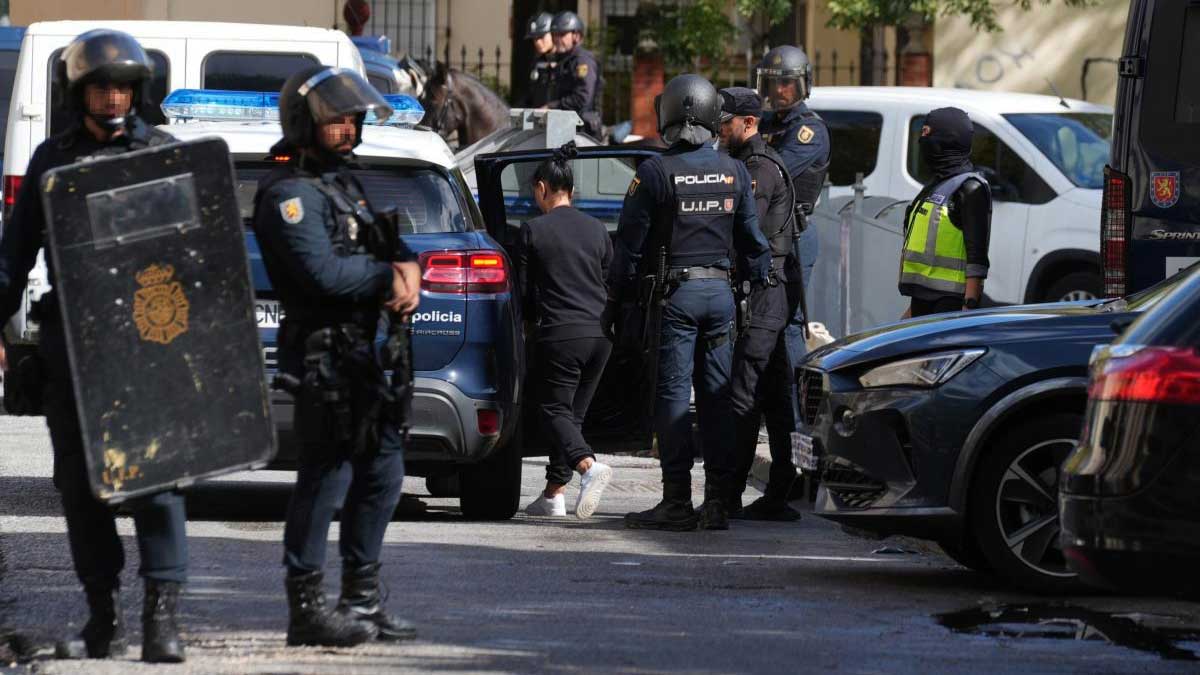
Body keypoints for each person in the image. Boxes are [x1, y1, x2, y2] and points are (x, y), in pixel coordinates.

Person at [0, 29, 187, 663]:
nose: (112, 97)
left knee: (158, 481)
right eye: (101, 87)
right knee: (82, 490)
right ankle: (102, 613)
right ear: (78, 91)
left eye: (123, 87)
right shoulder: (53, 162)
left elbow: (197, 256)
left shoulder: (164, 154)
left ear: (137, 92)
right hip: (73, 350)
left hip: (149, 344)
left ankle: (163, 617)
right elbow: (12, 260)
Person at [252, 65, 422, 647]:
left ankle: (362, 601)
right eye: (336, 118)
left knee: (383, 474)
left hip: (370, 361)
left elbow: (392, 247)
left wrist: (411, 270)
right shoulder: (289, 193)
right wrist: (387, 277)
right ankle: (306, 609)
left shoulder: (342, 183)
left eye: (353, 117)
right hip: (325, 359)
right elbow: (321, 274)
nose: (348, 126)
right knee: (324, 481)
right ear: (306, 121)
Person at [606, 74, 772, 532]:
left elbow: (629, 249)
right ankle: (718, 501)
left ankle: (677, 500)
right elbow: (754, 242)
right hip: (721, 297)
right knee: (717, 400)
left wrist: (616, 299)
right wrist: (757, 288)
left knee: (675, 397)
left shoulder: (654, 172)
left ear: (672, 114)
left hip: (676, 298)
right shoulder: (735, 171)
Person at [517, 142, 616, 519]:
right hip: (600, 336)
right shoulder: (597, 230)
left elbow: (526, 294)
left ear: (542, 189)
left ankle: (588, 468)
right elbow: (609, 279)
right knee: (571, 417)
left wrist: (526, 330)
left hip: (561, 333)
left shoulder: (533, 230)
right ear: (571, 192)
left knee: (552, 408)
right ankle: (553, 495)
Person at [717, 87, 802, 522]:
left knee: (745, 390)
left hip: (766, 292)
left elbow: (746, 232)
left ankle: (729, 494)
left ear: (748, 124)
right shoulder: (752, 163)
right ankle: (780, 491)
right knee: (771, 393)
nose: (719, 131)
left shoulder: (758, 168)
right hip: (769, 292)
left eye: (725, 123)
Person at [755, 45, 830, 373]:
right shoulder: (767, 122)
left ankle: (795, 403)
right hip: (767, 231)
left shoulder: (808, 131)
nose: (780, 90)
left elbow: (771, 172)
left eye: (788, 83)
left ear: (802, 85)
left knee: (788, 320)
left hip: (794, 235)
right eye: (774, 83)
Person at [899, 107, 991, 317]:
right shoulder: (935, 185)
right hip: (922, 299)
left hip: (950, 305)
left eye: (927, 133)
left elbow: (977, 256)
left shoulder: (970, 188)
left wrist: (969, 306)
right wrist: (910, 314)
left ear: (948, 139)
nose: (923, 141)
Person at [543, 10, 603, 139]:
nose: (557, 39)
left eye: (562, 34)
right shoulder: (564, 60)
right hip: (565, 129)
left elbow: (582, 98)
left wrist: (551, 106)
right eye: (554, 35)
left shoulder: (582, 61)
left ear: (576, 36)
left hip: (583, 133)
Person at [519, 12, 557, 109]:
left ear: (553, 34)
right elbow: (530, 95)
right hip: (539, 119)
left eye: (541, 37)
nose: (538, 42)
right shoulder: (537, 63)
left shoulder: (567, 61)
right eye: (535, 39)